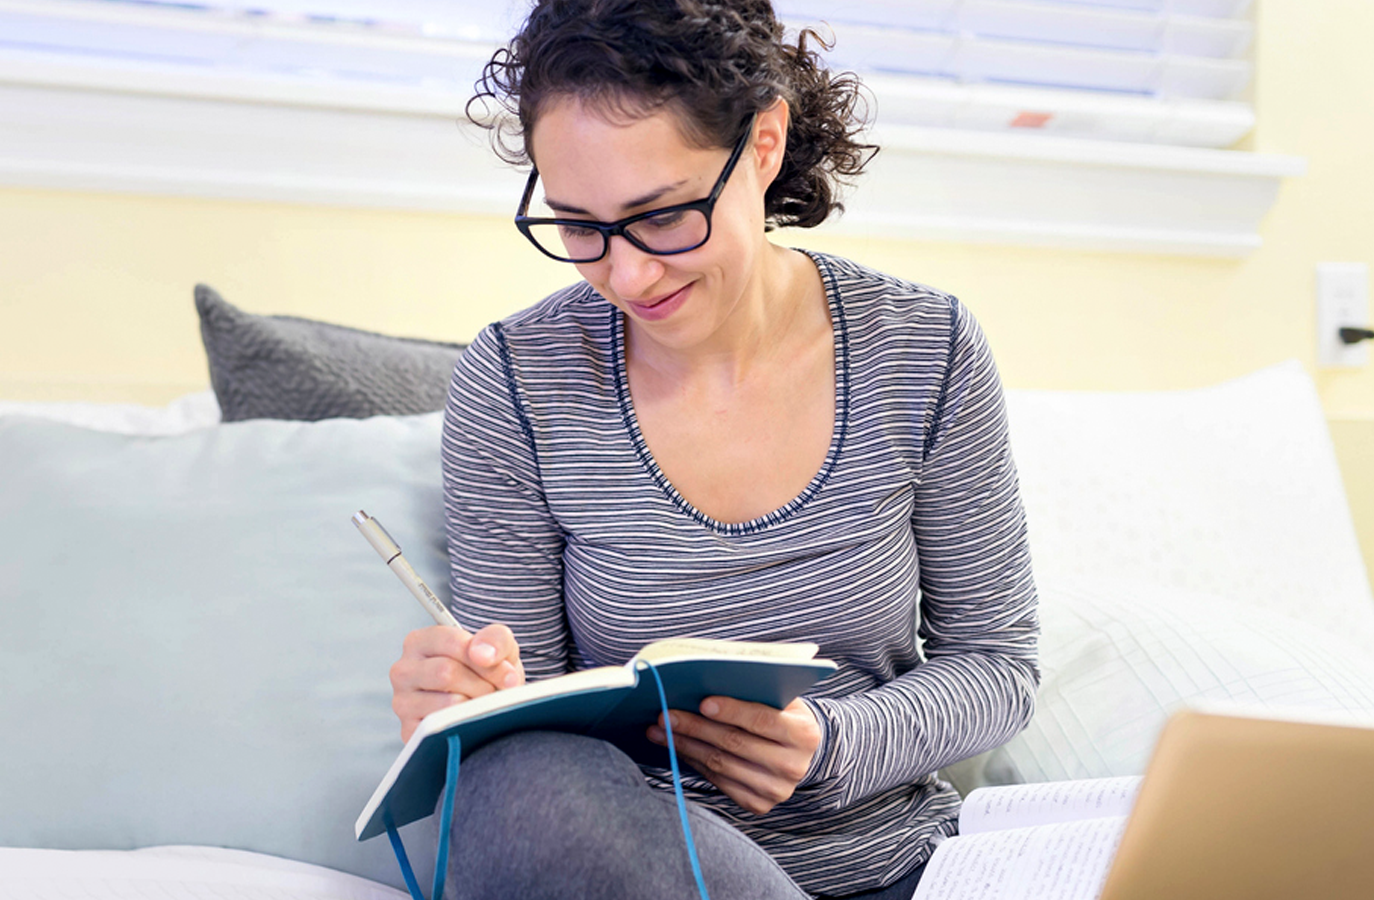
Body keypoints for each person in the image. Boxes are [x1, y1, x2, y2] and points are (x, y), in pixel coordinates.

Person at [386, 2, 1039, 898]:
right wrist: (463, 701)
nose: (627, 275)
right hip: (636, 862)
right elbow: (521, 720)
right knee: (518, 787)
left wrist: (830, 744)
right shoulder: (512, 378)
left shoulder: (923, 347)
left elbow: (998, 665)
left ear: (763, 144)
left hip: (889, 868)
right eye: (578, 226)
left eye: (661, 217)